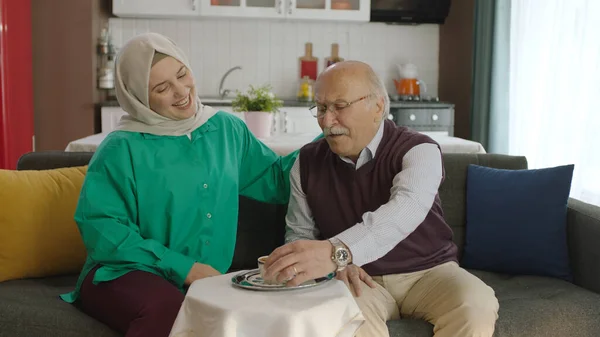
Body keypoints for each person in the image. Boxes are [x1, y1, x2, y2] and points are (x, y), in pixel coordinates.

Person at [60, 32, 299, 337]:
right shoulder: (121, 148)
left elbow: (277, 179)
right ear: (139, 98)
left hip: (202, 280)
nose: (181, 91)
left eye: (182, 74)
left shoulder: (226, 130)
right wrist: (185, 268)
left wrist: (330, 137)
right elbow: (102, 229)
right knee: (170, 311)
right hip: (122, 271)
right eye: (162, 88)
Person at [263, 61, 499, 337]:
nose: (327, 121)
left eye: (339, 106)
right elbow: (299, 236)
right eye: (322, 108)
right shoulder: (306, 162)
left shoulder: (419, 150)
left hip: (430, 273)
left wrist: (337, 253)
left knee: (476, 306)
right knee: (347, 321)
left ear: (377, 107)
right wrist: (333, 269)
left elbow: (405, 209)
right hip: (357, 277)